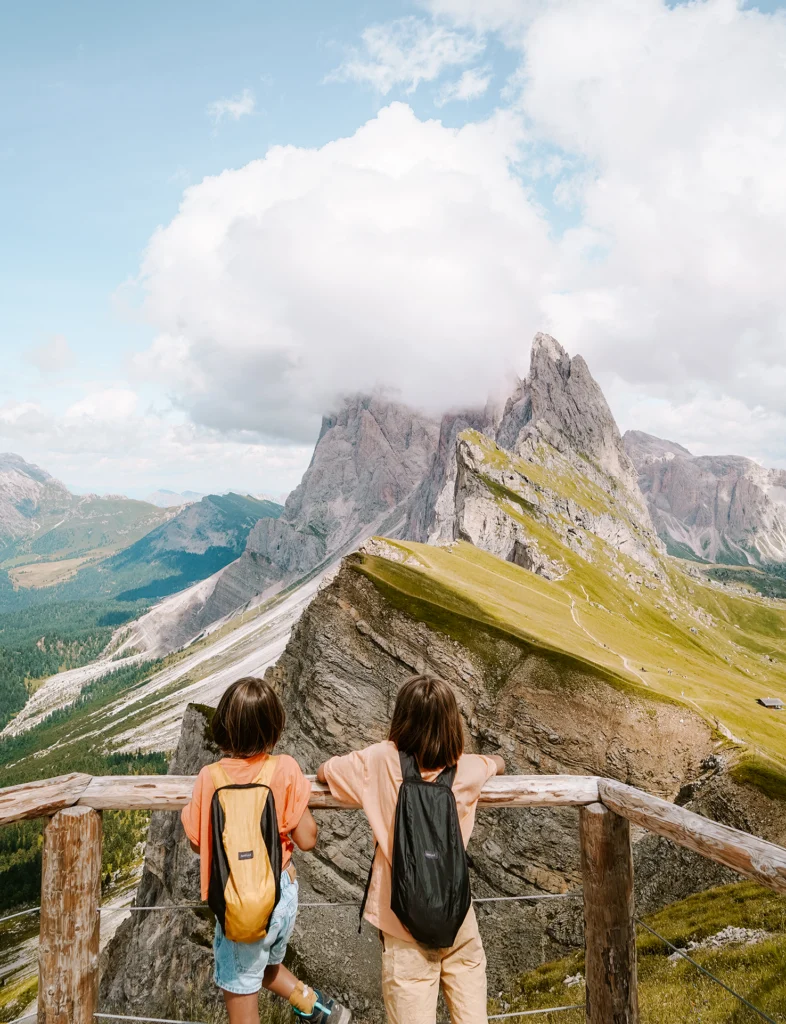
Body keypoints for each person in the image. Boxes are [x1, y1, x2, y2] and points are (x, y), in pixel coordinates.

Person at [317, 674, 504, 1024]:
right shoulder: (467, 769)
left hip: (402, 923)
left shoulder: (377, 761)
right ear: (452, 724)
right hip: (458, 916)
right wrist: (480, 758)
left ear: (401, 718)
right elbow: (497, 763)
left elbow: (325, 772)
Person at [181, 676, 352, 1024]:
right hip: (283, 892)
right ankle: (312, 1004)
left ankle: (311, 1004)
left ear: (224, 726)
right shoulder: (285, 768)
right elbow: (307, 838)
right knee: (265, 962)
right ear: (273, 727)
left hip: (241, 900)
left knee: (241, 988)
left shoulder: (209, 777)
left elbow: (197, 842)